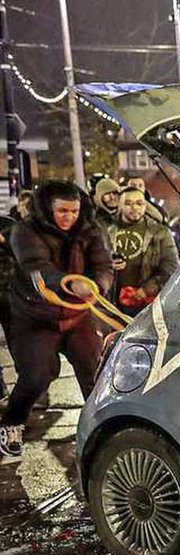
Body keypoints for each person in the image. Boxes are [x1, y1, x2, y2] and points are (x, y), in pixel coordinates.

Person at [0, 180, 113, 457]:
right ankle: (12, 422)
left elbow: (103, 265)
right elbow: (36, 267)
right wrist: (69, 283)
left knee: (95, 373)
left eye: (74, 211)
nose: (69, 217)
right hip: (35, 318)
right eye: (63, 211)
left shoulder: (90, 229)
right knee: (36, 376)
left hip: (78, 316)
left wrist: (99, 284)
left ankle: (101, 429)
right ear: (48, 209)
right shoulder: (25, 231)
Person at [107, 187, 180, 315]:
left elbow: (171, 267)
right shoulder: (106, 229)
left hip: (147, 304)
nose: (134, 207)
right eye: (128, 203)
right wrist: (108, 264)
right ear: (119, 205)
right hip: (112, 303)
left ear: (145, 206)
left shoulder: (160, 232)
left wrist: (146, 290)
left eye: (139, 203)